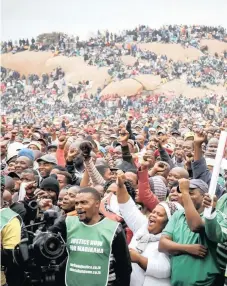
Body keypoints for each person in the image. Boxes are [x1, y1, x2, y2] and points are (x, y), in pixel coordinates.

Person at [49, 187, 132, 286]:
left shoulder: (114, 229)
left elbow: (124, 267)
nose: (79, 207)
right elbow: (47, 239)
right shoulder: (67, 223)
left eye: (84, 203)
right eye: (76, 203)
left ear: (97, 204)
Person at [116, 170, 182, 286]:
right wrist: (121, 185)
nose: (152, 215)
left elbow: (165, 269)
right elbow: (128, 207)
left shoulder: (173, 240)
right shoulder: (143, 227)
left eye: (159, 214)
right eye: (154, 212)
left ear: (170, 222)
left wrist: (139, 259)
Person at [159, 178, 220, 286]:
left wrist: (185, 193)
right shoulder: (178, 215)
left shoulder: (214, 216)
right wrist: (187, 249)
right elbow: (162, 245)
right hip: (177, 283)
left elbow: (196, 226)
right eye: (183, 193)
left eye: (190, 193)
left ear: (204, 196)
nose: (184, 196)